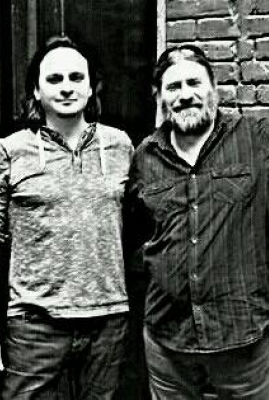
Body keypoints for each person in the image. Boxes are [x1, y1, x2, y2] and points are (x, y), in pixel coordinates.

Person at [126, 44, 269, 400]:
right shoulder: (145, 156)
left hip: (240, 340)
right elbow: (134, 233)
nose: (185, 95)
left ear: (214, 89)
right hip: (167, 341)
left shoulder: (254, 139)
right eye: (173, 87)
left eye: (194, 83)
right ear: (159, 97)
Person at [0, 35, 134, 399]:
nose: (66, 88)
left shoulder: (120, 146)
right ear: (36, 90)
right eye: (54, 79)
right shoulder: (11, 151)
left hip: (107, 324)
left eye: (76, 78)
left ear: (91, 88)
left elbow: (135, 227)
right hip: (34, 327)